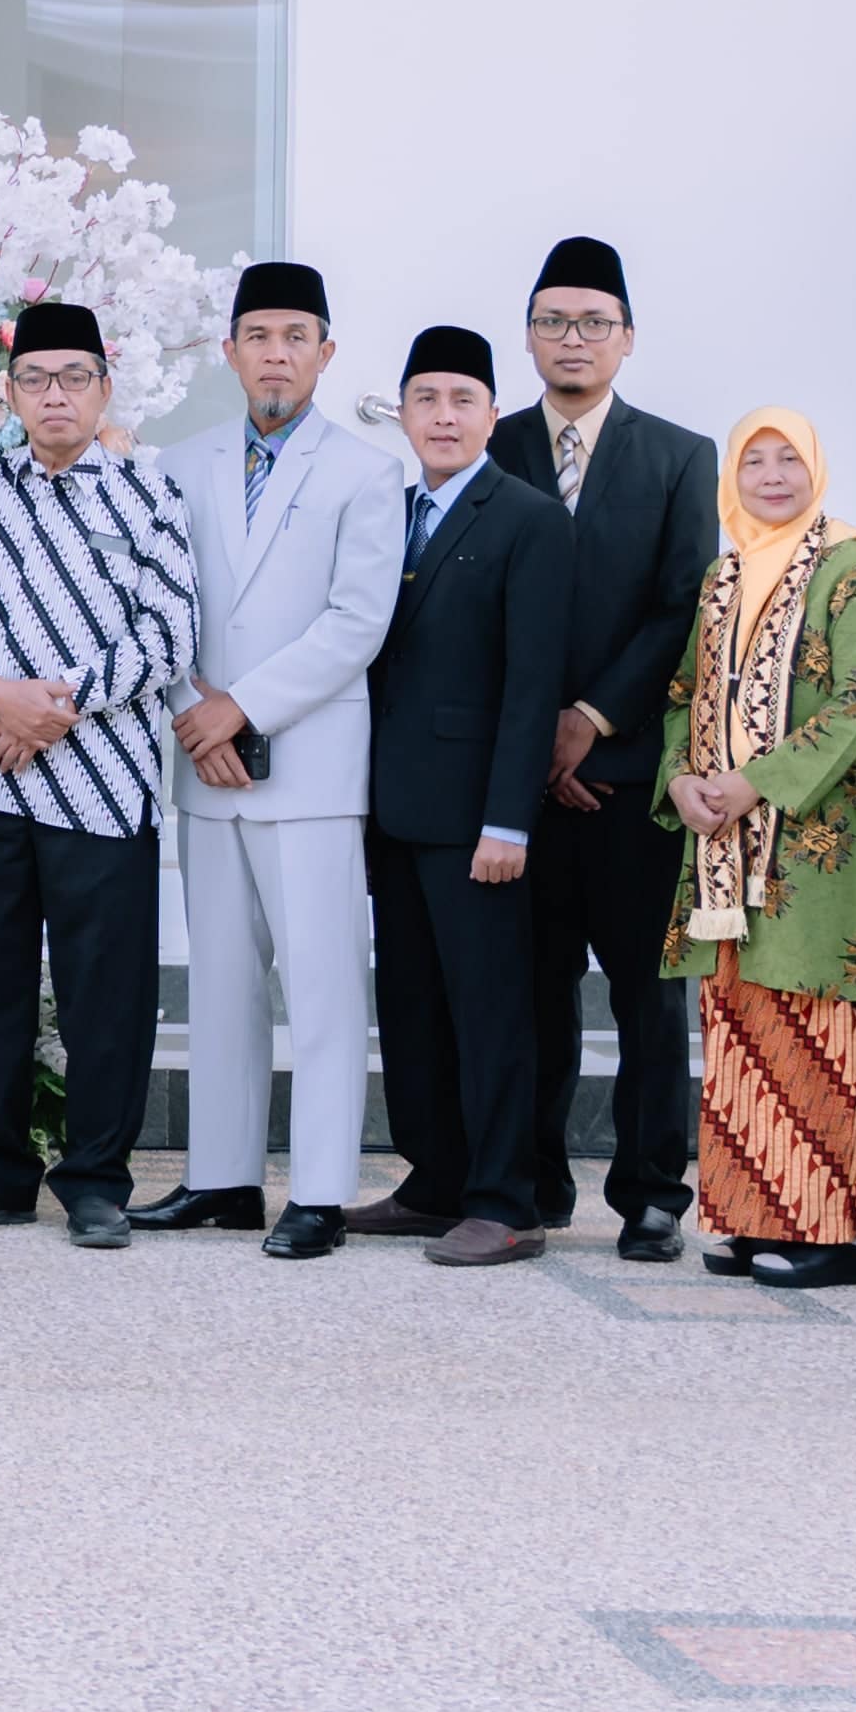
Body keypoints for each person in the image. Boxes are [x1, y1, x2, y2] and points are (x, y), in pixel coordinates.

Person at [0, 300, 198, 1250]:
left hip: (105, 781)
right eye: (36, 379)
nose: (55, 396)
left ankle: (96, 1181)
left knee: (105, 996)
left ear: (104, 388)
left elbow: (170, 633)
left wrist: (55, 706)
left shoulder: (149, 494)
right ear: (9, 394)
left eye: (74, 378)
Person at [145, 261, 399, 1246]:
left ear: (326, 353)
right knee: (221, 982)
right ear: (230, 351)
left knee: (322, 986)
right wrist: (193, 710)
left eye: (297, 337)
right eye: (259, 336)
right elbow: (158, 607)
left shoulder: (365, 471)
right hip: (205, 761)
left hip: (309, 767)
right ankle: (222, 1177)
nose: (277, 354)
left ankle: (322, 1191)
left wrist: (240, 709)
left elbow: (355, 622)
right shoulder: (179, 465)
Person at [490, 237, 720, 1254]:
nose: (572, 338)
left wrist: (589, 720)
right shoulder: (493, 445)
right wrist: (537, 737)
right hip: (521, 785)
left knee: (649, 1000)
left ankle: (652, 1192)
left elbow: (683, 604)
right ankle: (535, 1177)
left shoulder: (679, 456)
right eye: (553, 321)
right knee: (531, 997)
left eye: (592, 322)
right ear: (529, 335)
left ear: (627, 338)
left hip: (630, 783)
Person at [660, 408, 856, 1285]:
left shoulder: (854, 562)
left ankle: (829, 1236)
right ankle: (754, 1217)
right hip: (722, 841)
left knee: (815, 1027)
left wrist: (755, 782)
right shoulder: (724, 574)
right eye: (753, 461)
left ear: (815, 470)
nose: (771, 476)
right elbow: (685, 694)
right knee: (740, 1029)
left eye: (787, 459)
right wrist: (681, 780)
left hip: (814, 836)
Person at [351, 328, 573, 1264]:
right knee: (413, 1006)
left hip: (478, 819)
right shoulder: (388, 512)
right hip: (392, 811)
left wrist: (507, 821)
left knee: (490, 1013)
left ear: (492, 413)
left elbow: (532, 685)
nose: (443, 417)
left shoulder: (528, 518)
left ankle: (506, 1199)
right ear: (403, 412)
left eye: (461, 400)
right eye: (426, 399)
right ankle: (435, 1181)